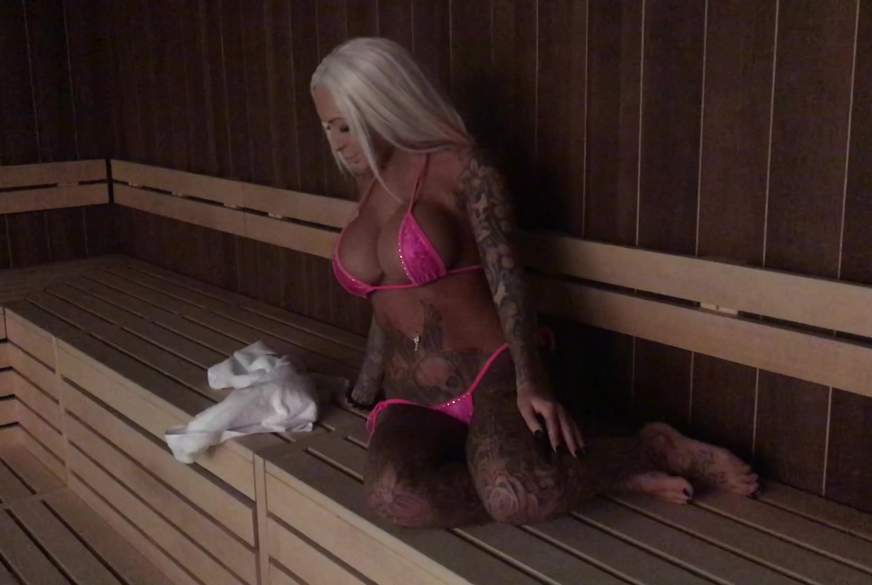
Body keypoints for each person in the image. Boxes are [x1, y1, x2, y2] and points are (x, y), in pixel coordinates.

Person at [311, 37, 758, 528]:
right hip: (411, 398)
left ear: (382, 103)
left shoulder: (464, 166)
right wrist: (363, 392)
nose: (338, 144)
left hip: (491, 375)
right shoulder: (367, 183)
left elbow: (508, 278)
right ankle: (569, 472)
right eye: (328, 129)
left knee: (514, 498)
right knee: (393, 499)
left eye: (345, 126)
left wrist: (531, 380)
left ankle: (648, 450)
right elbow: (385, 306)